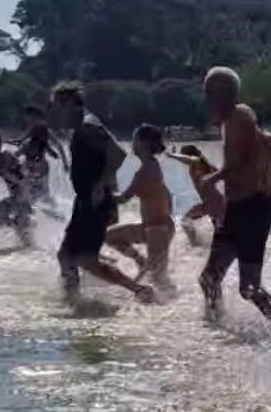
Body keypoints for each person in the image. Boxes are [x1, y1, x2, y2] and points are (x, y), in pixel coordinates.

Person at [198, 67, 271, 331]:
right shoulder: (233, 121)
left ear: (222, 93)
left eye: (209, 93)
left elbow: (237, 164)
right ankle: (216, 327)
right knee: (209, 279)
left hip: (251, 211)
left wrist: (210, 180)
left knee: (249, 287)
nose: (206, 99)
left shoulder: (239, 116)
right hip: (238, 210)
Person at [49, 81, 154, 303]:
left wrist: (101, 183)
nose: (58, 113)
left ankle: (139, 289)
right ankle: (72, 299)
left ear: (73, 105)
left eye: (60, 107)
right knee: (65, 256)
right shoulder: (82, 128)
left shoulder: (89, 127)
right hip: (84, 202)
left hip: (96, 203)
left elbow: (122, 157)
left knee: (86, 260)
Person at [104, 124, 175, 294]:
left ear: (143, 143)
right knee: (110, 236)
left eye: (134, 139)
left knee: (159, 280)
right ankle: (140, 261)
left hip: (157, 229)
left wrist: (103, 192)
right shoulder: (153, 165)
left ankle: (174, 311)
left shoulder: (144, 172)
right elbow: (167, 193)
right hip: (152, 227)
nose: (131, 143)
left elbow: (123, 198)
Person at [167, 144, 226, 247]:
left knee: (223, 238)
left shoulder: (196, 161)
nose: (182, 157)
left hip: (213, 203)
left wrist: (171, 155)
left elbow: (189, 160)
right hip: (211, 203)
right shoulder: (200, 167)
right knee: (184, 219)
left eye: (182, 154)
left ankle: (196, 244)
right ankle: (196, 244)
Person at [16, 119, 68, 212]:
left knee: (39, 194)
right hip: (36, 172)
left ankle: (53, 210)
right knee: (37, 194)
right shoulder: (31, 144)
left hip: (38, 172)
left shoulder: (39, 144)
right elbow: (18, 151)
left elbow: (17, 152)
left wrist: (64, 163)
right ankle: (52, 209)